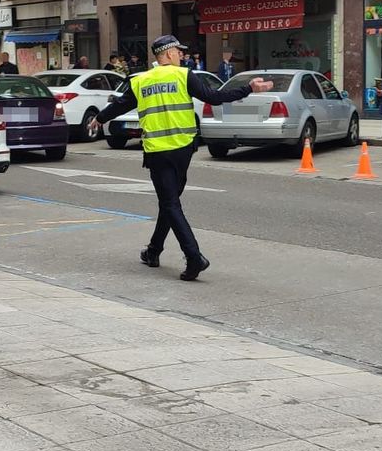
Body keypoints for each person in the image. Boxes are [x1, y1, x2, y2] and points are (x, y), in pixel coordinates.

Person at [97, 35, 272, 281]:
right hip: (183, 150)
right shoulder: (184, 76)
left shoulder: (141, 81)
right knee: (170, 204)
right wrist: (249, 89)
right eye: (179, 52)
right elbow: (214, 97)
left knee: (170, 204)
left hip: (158, 151)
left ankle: (193, 257)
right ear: (168, 54)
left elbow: (120, 105)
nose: (182, 55)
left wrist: (100, 118)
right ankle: (153, 251)